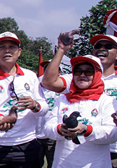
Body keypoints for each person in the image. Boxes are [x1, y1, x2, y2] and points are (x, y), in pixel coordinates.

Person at [41, 33, 117, 166]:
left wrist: (86, 129)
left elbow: (112, 133)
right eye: (77, 71)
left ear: (97, 75)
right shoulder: (63, 99)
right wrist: (60, 130)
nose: (82, 75)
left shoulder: (107, 101)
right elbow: (48, 128)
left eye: (88, 72)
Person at [0, 31, 48, 168]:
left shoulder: (30, 75)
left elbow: (43, 108)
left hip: (27, 145)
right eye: (2, 47)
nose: (7, 51)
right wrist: (1, 118)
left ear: (19, 52)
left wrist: (34, 105)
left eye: (12, 47)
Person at [35, 60, 60, 168]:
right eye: (46, 69)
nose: (48, 71)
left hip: (53, 135)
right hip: (35, 134)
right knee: (35, 163)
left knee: (53, 163)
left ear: (59, 72)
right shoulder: (35, 86)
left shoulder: (63, 88)